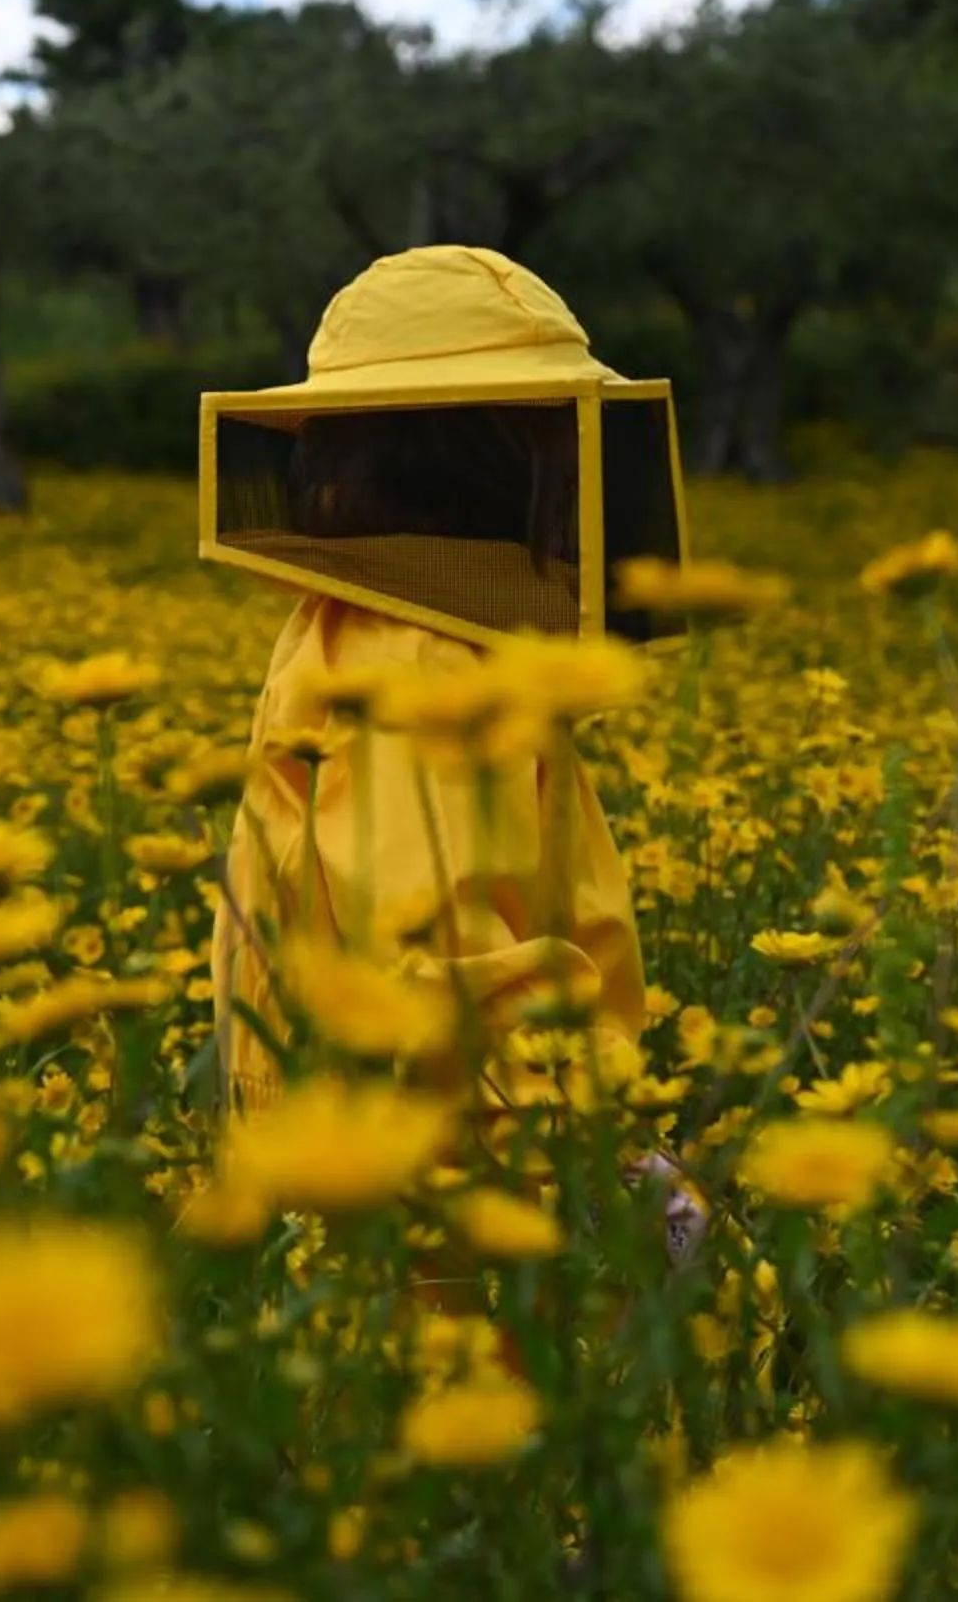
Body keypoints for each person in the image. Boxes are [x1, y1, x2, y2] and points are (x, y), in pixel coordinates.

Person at [203, 247, 705, 1317]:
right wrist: (621, 1174)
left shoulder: (361, 633)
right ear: (503, 451)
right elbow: (446, 962)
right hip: (456, 1220)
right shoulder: (419, 662)